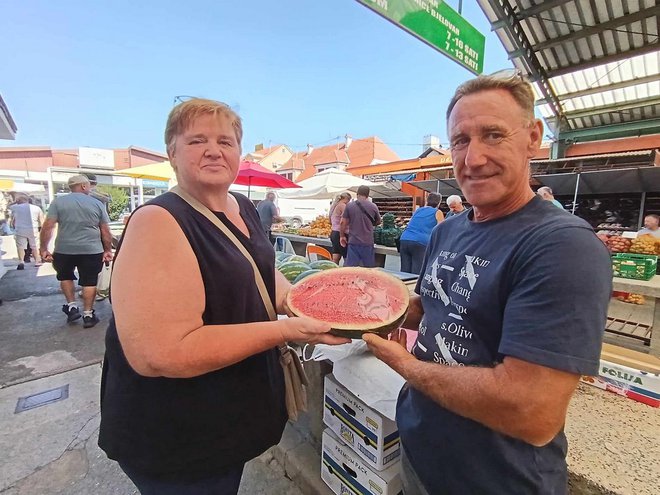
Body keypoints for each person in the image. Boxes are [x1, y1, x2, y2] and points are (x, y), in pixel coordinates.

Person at [363, 73, 612, 494]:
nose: (473, 158)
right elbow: (428, 305)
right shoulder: (449, 230)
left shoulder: (563, 246)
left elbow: (531, 413)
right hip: (420, 454)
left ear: (533, 137)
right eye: (460, 141)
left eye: (493, 135)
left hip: (496, 480)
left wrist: (403, 364)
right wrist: (369, 310)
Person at [98, 98, 348, 495]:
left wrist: (302, 300)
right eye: (197, 140)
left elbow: (262, 274)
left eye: (226, 142)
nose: (214, 150)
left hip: (226, 417)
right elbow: (162, 353)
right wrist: (287, 330)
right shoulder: (157, 221)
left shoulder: (243, 207)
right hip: (178, 434)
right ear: (172, 153)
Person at [40, 175, 113, 328]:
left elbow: (48, 226)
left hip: (64, 249)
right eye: (89, 185)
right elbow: (105, 230)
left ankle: (72, 306)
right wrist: (107, 249)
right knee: (90, 281)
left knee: (65, 276)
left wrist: (43, 248)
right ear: (84, 186)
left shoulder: (58, 202)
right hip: (92, 250)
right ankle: (88, 314)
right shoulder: (96, 203)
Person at [398, 193, 443, 274]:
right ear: (439, 202)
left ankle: (403, 285)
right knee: (417, 271)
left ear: (427, 201)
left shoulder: (418, 210)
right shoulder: (437, 212)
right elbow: (442, 229)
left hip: (405, 239)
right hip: (420, 243)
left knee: (404, 271)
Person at [340, 185, 381, 267]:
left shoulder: (350, 206)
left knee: (351, 270)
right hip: (368, 242)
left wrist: (342, 236)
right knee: (368, 270)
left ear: (357, 194)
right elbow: (378, 221)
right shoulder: (373, 206)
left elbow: (342, 222)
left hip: (353, 241)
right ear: (367, 195)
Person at [9, 195, 44, 269]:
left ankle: (21, 261)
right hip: (33, 229)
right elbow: (41, 221)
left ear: (18, 201)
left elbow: (9, 207)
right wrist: (42, 230)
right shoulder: (36, 208)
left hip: (20, 229)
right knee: (35, 246)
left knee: (20, 247)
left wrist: (15, 202)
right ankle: (37, 261)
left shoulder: (15, 207)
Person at [329, 192, 351, 263]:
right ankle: (345, 273)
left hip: (334, 233)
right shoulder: (343, 205)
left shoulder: (334, 206)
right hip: (341, 233)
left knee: (336, 257)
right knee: (346, 258)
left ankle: (334, 272)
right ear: (347, 199)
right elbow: (343, 221)